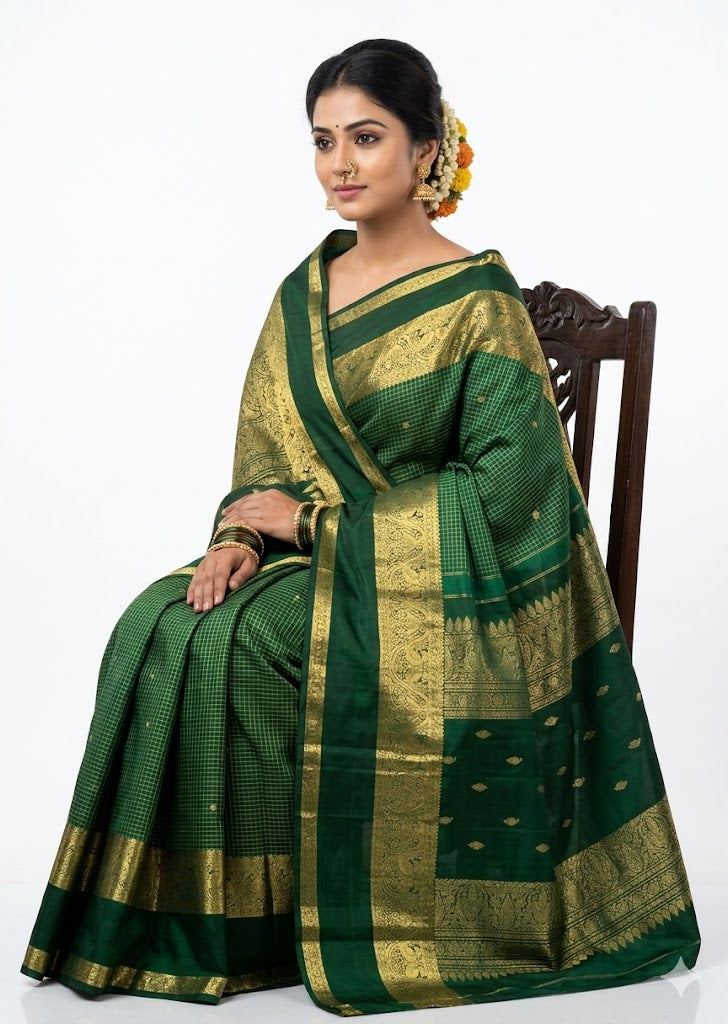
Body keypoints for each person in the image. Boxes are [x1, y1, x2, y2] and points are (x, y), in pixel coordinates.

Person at [21, 38, 700, 1016]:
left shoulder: (477, 305)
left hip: (442, 599)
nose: (339, 163)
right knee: (157, 622)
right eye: (322, 140)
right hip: (321, 564)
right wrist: (236, 538)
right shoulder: (300, 294)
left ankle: (289, 921)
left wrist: (310, 522)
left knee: (242, 637)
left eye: (366, 137)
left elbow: (512, 495)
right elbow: (263, 461)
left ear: (428, 151)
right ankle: (212, 920)